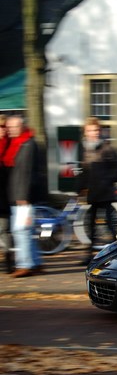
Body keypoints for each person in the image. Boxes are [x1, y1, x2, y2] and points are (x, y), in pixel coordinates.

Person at [77, 117, 117, 265]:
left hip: (105, 192)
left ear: (100, 131)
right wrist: (80, 189)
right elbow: (83, 171)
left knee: (109, 224)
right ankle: (88, 254)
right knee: (89, 225)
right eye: (90, 130)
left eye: (96, 130)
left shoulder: (108, 149)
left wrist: (105, 180)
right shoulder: (84, 149)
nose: (94, 133)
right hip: (91, 193)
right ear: (85, 132)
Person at [5, 115, 44, 278]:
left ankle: (25, 265)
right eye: (9, 127)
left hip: (23, 197)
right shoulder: (19, 143)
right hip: (19, 195)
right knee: (26, 231)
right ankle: (35, 263)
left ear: (22, 126)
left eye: (14, 127)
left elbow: (26, 173)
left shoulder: (27, 144)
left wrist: (23, 197)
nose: (10, 130)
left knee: (20, 230)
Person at [0, 115, 14, 274]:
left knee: (4, 230)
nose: (3, 130)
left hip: (5, 196)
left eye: (4, 127)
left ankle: (8, 261)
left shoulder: (11, 147)